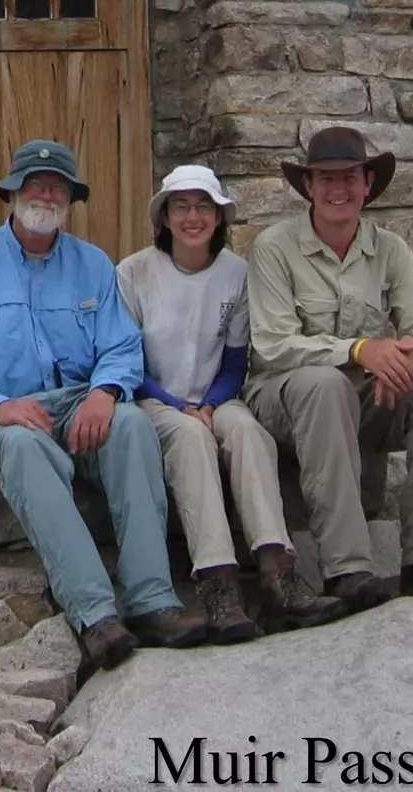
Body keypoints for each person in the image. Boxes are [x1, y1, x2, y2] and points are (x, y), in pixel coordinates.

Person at [0, 138, 208, 673]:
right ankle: (94, 615)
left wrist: (106, 393)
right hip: (1, 416)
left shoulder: (93, 264)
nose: (46, 194)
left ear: (70, 198)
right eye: (35, 184)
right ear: (13, 191)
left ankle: (153, 600)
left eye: (57, 187)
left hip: (79, 405)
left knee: (132, 426)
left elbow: (121, 347)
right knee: (24, 448)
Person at [244, 127, 413, 616]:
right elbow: (274, 347)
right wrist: (362, 350)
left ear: (367, 184)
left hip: (361, 399)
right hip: (283, 401)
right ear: (308, 186)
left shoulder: (390, 250)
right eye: (326, 178)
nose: (337, 189)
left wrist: (412, 348)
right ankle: (346, 567)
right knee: (324, 383)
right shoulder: (273, 248)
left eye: (349, 177)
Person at [117, 166, 343, 641]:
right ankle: (217, 581)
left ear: (219, 217)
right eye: (181, 207)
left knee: (248, 433)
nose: (193, 217)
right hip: (154, 399)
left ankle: (278, 572)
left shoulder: (235, 274)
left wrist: (212, 403)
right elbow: (128, 362)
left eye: (204, 207)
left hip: (217, 398)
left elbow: (236, 357)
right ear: (164, 217)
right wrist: (178, 406)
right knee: (191, 440)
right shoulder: (133, 273)